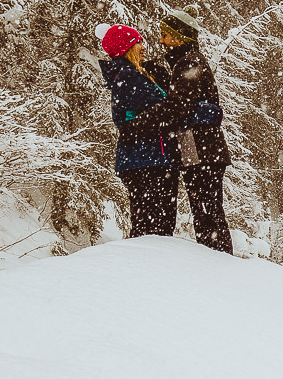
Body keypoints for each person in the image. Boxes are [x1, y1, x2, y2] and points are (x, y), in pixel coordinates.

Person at [95, 21, 229, 248]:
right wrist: (204, 112)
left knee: (156, 227)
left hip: (152, 159)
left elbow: (166, 109)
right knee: (154, 229)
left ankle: (153, 264)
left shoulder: (137, 75)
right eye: (138, 43)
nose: (144, 46)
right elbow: (166, 110)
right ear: (126, 48)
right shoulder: (129, 77)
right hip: (146, 161)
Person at [153, 8, 234, 253]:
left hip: (200, 149)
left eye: (166, 35)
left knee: (207, 211)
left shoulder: (189, 63)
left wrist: (147, 118)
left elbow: (178, 107)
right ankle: (216, 257)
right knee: (206, 211)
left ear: (179, 37)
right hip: (200, 148)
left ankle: (218, 260)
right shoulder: (187, 62)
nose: (161, 41)